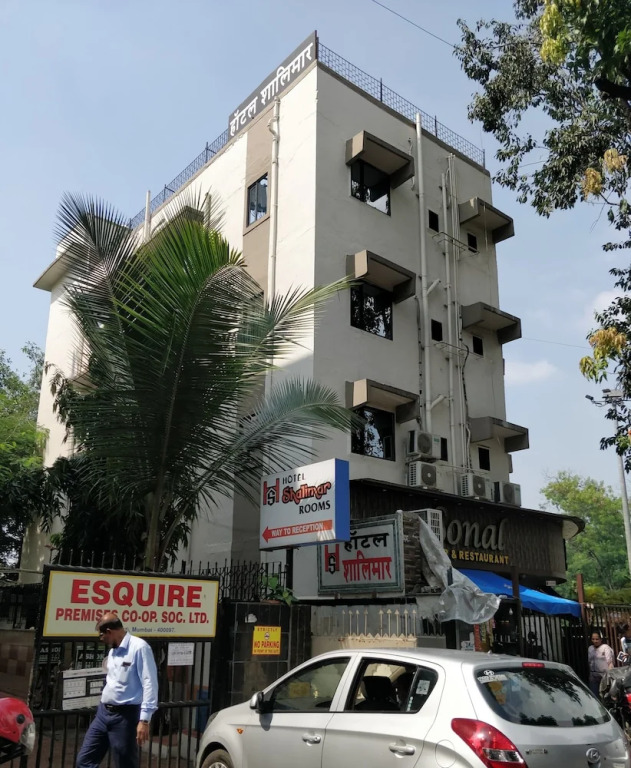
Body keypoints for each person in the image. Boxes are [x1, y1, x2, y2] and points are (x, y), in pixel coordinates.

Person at [76, 612, 158, 768]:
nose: (101, 639)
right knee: (84, 761)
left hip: (125, 717)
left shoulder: (139, 648)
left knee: (125, 764)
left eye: (102, 635)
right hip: (103, 714)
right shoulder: (113, 650)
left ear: (109, 632)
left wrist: (144, 720)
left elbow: (150, 683)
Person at [588, 631, 614, 696]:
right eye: (593, 639)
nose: (595, 641)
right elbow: (589, 662)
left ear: (601, 639)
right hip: (593, 676)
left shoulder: (605, 647)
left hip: (604, 676)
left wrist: (609, 677)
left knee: (605, 695)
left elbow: (610, 662)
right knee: (594, 695)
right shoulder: (590, 648)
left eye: (597, 639)